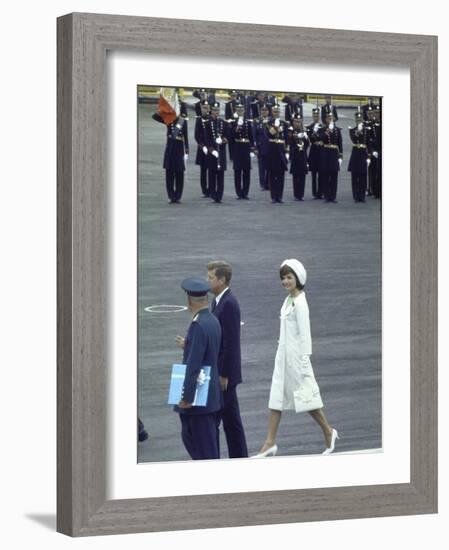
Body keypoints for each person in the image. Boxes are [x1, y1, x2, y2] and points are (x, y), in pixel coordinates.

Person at [253, 259, 338, 458]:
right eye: (283, 278)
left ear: (298, 279)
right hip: (283, 358)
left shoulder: (300, 302)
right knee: (276, 398)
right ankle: (270, 442)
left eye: (289, 277)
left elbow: (305, 334)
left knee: (307, 399)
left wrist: (304, 360)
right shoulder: (288, 300)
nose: (285, 281)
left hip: (297, 360)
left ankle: (328, 430)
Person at [174, 277, 223, 460]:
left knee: (201, 451)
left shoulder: (197, 326)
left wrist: (187, 398)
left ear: (188, 301)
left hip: (198, 402)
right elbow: (210, 353)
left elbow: (193, 367)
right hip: (212, 397)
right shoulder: (213, 321)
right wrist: (189, 345)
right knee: (210, 448)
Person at [207, 261, 248, 458]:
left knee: (230, 421)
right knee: (230, 419)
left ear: (222, 280)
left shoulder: (228, 304)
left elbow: (230, 344)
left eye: (211, 277)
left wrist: (224, 374)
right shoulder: (217, 302)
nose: (208, 281)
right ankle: (239, 457)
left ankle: (239, 458)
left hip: (225, 377)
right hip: (220, 372)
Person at [152, 110, 189, 204]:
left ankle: (178, 196)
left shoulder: (182, 120)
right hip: (170, 147)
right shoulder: (168, 120)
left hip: (179, 148)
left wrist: (187, 149)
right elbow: (155, 117)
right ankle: (171, 196)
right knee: (169, 173)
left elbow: (185, 135)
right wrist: (163, 110)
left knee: (179, 173)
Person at [229, 103, 256, 199]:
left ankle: (245, 192)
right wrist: (235, 129)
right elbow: (230, 137)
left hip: (246, 148)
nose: (240, 111)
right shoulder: (233, 122)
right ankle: (239, 193)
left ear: (244, 111)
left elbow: (251, 136)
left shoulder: (247, 122)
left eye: (242, 109)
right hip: (237, 147)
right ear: (236, 111)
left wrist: (253, 147)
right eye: (238, 109)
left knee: (246, 171)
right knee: (237, 171)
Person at [265, 104, 289, 203]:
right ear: (272, 112)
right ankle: (273, 196)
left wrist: (287, 151)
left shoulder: (284, 124)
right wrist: (276, 127)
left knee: (281, 175)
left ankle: (279, 196)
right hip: (272, 150)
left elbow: (287, 138)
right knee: (272, 175)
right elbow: (269, 134)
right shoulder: (268, 123)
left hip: (281, 150)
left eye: (278, 111)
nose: (276, 113)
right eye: (275, 111)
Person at [205, 103, 229, 203]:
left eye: (217, 110)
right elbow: (207, 138)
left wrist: (223, 140)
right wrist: (211, 149)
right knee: (212, 174)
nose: (216, 112)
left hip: (221, 151)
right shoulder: (207, 123)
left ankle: (219, 195)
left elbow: (227, 135)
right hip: (213, 151)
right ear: (211, 111)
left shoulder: (223, 122)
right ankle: (213, 194)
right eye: (214, 110)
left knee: (220, 175)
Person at [318, 112, 343, 203]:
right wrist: (327, 131)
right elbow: (321, 138)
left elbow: (340, 143)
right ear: (325, 119)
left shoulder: (337, 130)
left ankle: (333, 196)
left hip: (334, 154)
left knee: (334, 176)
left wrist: (340, 155)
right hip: (325, 153)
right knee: (325, 175)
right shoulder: (323, 129)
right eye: (328, 118)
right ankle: (327, 196)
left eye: (331, 117)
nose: (330, 119)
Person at [348, 111, 370, 202]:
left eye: (360, 119)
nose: (359, 120)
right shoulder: (352, 130)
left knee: (363, 176)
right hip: (356, 153)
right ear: (355, 120)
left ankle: (362, 196)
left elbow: (368, 142)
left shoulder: (366, 130)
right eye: (357, 119)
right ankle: (356, 196)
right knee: (355, 176)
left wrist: (369, 156)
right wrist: (357, 133)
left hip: (363, 153)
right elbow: (353, 140)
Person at [287, 114, 309, 201]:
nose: (298, 123)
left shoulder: (303, 131)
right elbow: (289, 140)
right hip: (295, 155)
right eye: (296, 121)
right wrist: (295, 136)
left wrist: (306, 137)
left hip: (303, 156)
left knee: (302, 176)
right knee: (296, 176)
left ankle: (301, 194)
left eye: (299, 122)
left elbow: (307, 145)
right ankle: (296, 194)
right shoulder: (291, 131)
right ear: (293, 122)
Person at [306, 107, 324, 199]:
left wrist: (318, 134)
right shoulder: (309, 127)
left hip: (320, 152)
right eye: (314, 116)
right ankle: (314, 193)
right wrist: (314, 132)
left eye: (317, 116)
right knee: (313, 174)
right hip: (313, 151)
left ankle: (320, 192)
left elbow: (323, 138)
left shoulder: (323, 127)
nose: (316, 117)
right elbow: (310, 138)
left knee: (321, 174)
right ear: (312, 116)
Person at [194, 100, 211, 197]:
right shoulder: (199, 120)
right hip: (202, 149)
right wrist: (202, 146)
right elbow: (197, 135)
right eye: (204, 108)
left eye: (207, 107)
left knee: (211, 170)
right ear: (201, 109)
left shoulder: (212, 119)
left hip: (211, 148)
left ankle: (211, 188)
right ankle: (204, 190)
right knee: (203, 171)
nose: (206, 109)